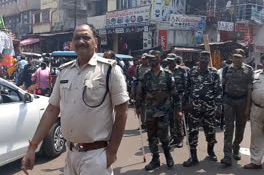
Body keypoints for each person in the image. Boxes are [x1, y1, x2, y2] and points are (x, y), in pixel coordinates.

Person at [21, 24, 129, 175]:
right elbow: (52, 109)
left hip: (96, 155)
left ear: (95, 42)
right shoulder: (65, 71)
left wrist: (112, 150)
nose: (81, 41)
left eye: (86, 37)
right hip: (70, 153)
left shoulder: (110, 70)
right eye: (77, 38)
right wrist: (32, 147)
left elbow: (122, 111)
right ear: (72, 44)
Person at [136, 50, 182, 171]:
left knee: (164, 136)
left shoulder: (167, 74)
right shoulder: (146, 75)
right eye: (149, 58)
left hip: (163, 111)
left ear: (158, 59)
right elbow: (141, 92)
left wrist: (178, 109)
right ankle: (155, 159)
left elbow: (174, 93)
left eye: (153, 58)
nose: (151, 60)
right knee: (151, 136)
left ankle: (168, 156)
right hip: (150, 112)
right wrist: (138, 106)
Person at [183, 51, 223, 167]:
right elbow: (187, 88)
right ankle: (193, 156)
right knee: (193, 132)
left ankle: (211, 152)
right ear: (199, 59)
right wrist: (184, 102)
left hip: (209, 107)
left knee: (210, 131)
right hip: (194, 107)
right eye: (202, 57)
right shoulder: (191, 72)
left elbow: (218, 91)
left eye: (206, 58)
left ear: (209, 60)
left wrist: (219, 106)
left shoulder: (214, 73)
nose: (204, 60)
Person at [221, 49, 254, 166]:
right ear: (232, 57)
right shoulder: (226, 69)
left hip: (242, 102)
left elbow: (250, 89)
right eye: (235, 57)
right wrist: (220, 104)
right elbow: (222, 86)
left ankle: (236, 148)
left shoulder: (249, 70)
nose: (237, 59)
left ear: (244, 58)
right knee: (228, 129)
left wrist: (248, 107)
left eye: (239, 57)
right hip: (228, 101)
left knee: (240, 128)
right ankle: (227, 155)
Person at [166, 53, 187, 148]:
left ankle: (180, 138)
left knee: (178, 118)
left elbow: (186, 85)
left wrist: (184, 99)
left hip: (179, 97)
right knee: (170, 119)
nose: (169, 62)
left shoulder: (182, 70)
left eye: (171, 61)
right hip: (168, 98)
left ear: (175, 61)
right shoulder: (165, 71)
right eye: (168, 61)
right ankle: (174, 137)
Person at [133, 53, 151, 129]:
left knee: (148, 107)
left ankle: (148, 123)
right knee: (139, 107)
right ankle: (143, 123)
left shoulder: (151, 67)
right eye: (143, 59)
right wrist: (133, 91)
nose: (144, 60)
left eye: (146, 59)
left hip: (149, 89)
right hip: (140, 88)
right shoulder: (138, 67)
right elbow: (135, 79)